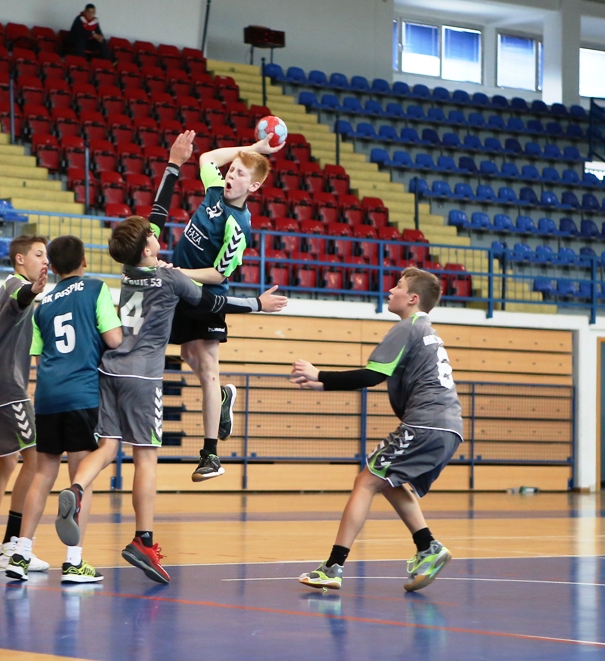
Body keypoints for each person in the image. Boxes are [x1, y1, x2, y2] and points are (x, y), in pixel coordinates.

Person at [53, 133, 287, 583]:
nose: (156, 233)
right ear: (150, 248)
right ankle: (143, 539)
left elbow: (157, 215)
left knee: (107, 447)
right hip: (143, 377)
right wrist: (258, 304)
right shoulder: (170, 277)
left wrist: (177, 165)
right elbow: (215, 301)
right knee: (146, 458)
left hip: (108, 369)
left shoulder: (130, 269)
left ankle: (77, 489)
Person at [291, 267, 461, 593]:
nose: (391, 290)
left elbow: (372, 376)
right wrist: (323, 384)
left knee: (366, 481)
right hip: (448, 426)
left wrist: (319, 374)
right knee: (387, 480)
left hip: (426, 422)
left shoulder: (407, 327)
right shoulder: (427, 330)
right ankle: (428, 547)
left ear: (412, 298)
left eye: (398, 286)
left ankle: (333, 567)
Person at [4, 235, 122, 583]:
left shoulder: (42, 305)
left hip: (47, 397)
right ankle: (74, 562)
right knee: (80, 480)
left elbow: (37, 357)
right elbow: (114, 339)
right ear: (84, 261)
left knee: (43, 475)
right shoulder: (96, 289)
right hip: (82, 394)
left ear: (52, 267)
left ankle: (20, 554)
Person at [165, 134, 283, 483]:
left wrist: (181, 273)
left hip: (207, 297)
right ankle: (223, 396)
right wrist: (253, 149)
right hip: (182, 290)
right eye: (231, 170)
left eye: (240, 174)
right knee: (189, 356)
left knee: (208, 369)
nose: (231, 175)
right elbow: (207, 158)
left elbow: (218, 273)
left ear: (254, 186)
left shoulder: (239, 226)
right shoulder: (215, 191)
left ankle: (210, 455)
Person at [0, 235, 50, 571]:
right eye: (39, 254)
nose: (45, 261)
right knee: (36, 458)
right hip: (7, 387)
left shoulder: (3, 290)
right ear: (20, 259)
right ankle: (13, 546)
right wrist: (35, 290)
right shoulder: (17, 287)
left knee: (6, 463)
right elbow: (23, 296)